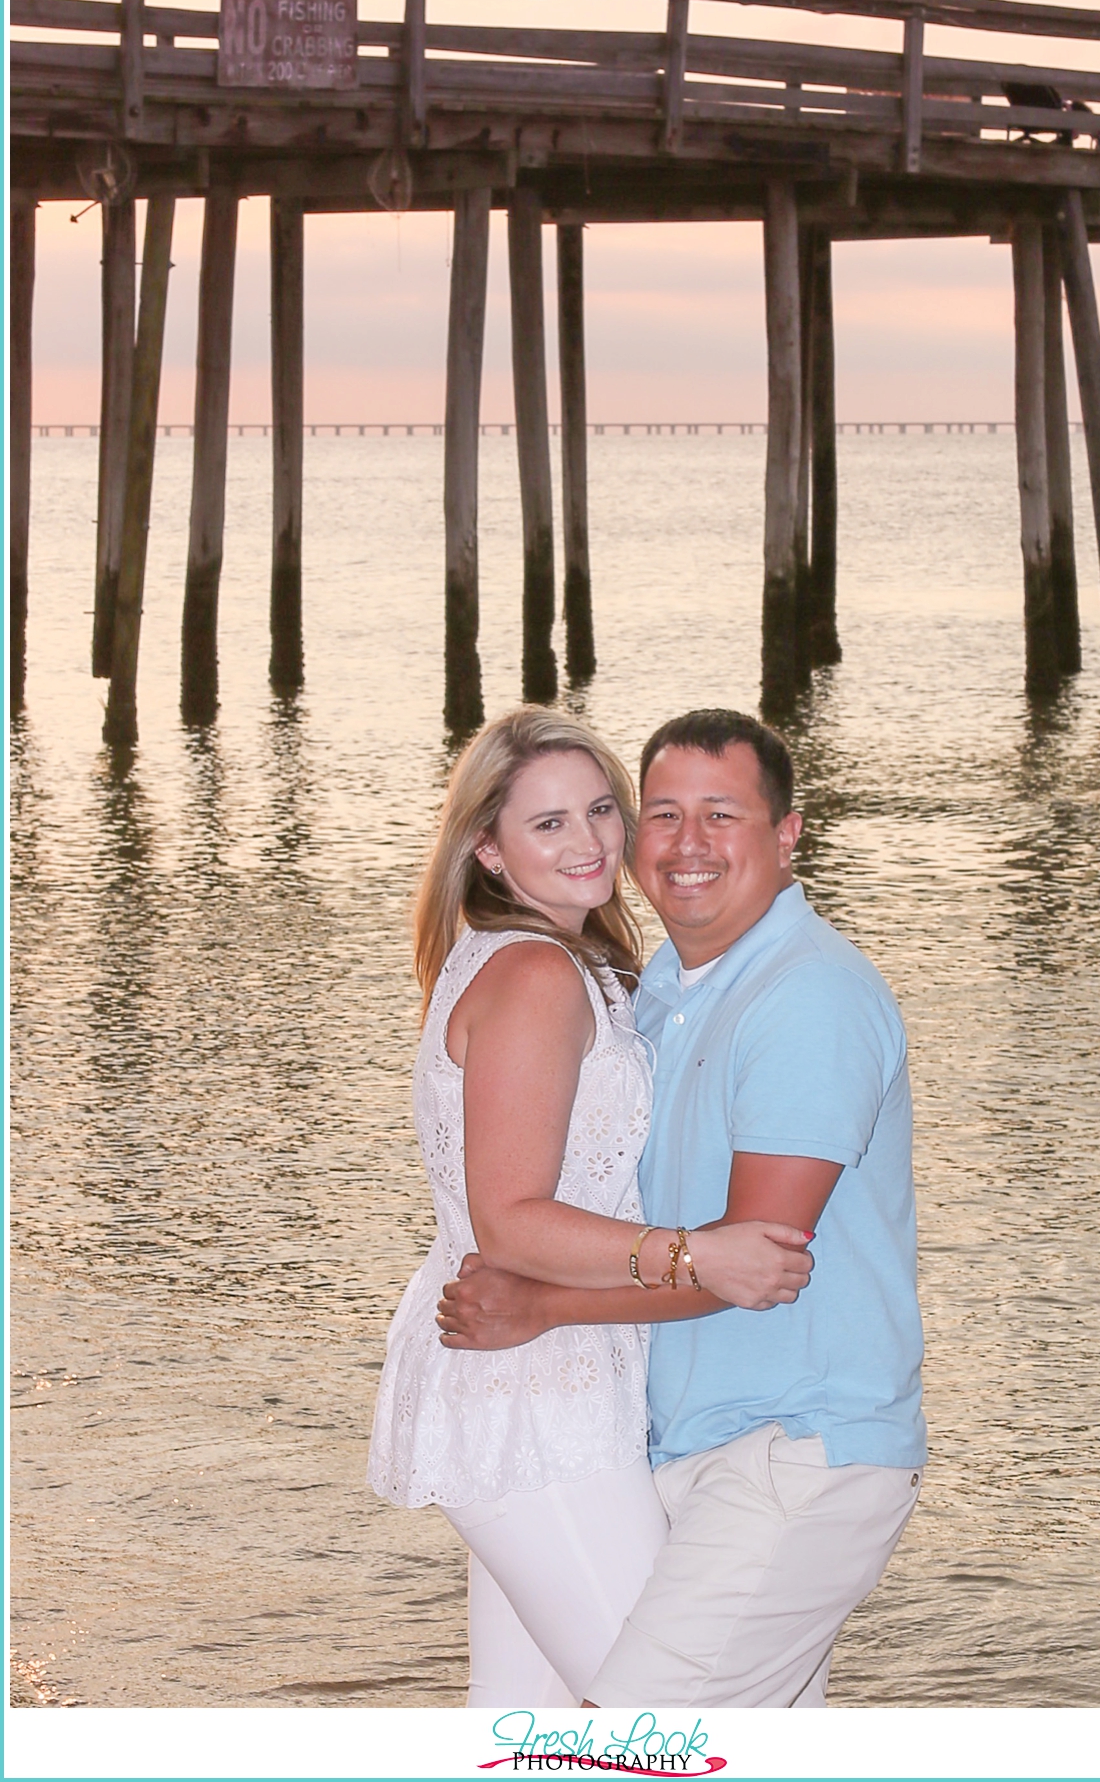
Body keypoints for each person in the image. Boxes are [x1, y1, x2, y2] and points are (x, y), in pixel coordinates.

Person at [440, 707, 926, 1709]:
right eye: (661, 812)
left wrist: (541, 1306)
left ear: (787, 834)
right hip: (668, 1439)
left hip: (797, 1449)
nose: (686, 843)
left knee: (639, 1742)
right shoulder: (653, 987)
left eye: (721, 813)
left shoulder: (809, 996)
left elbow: (750, 1263)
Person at [367, 707, 812, 1705]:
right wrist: (700, 1254)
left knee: (528, 1729)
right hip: (530, 1391)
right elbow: (509, 1217)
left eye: (602, 808)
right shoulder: (533, 973)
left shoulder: (552, 961)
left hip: (538, 1370)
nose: (592, 841)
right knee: (690, 1714)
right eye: (549, 823)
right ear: (486, 844)